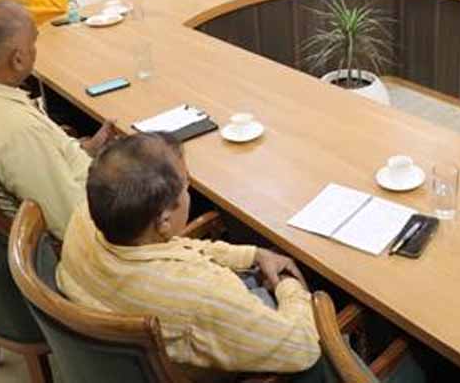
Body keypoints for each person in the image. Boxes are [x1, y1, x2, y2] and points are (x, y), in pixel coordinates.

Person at [57, 132, 327, 378]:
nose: (190, 190)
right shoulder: (203, 294)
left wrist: (252, 255)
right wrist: (288, 283)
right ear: (164, 220)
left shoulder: (84, 219)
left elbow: (172, 248)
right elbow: (301, 348)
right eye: (186, 184)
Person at [0, 0, 115, 238]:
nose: (35, 51)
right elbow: (73, 223)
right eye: (33, 43)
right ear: (17, 59)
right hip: (86, 227)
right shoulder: (18, 132)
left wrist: (85, 149)